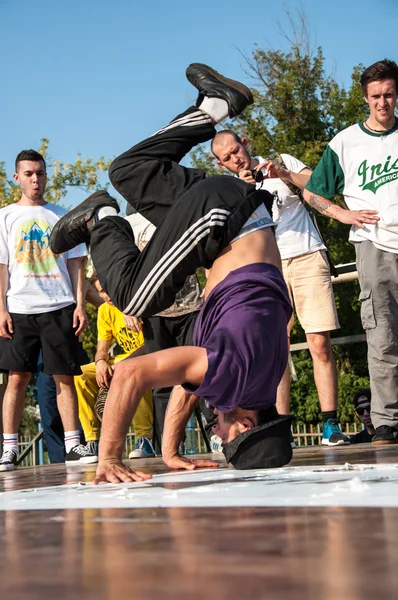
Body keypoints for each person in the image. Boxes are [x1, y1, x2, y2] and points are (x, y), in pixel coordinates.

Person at [50, 63, 293, 484]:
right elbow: (130, 373)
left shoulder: (259, 379)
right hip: (222, 224)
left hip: (236, 210)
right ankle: (100, 218)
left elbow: (187, 382)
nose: (215, 432)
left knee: (129, 172)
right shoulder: (234, 377)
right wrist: (108, 459)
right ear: (246, 425)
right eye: (223, 436)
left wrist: (169, 452)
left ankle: (214, 105)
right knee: (130, 298)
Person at [211, 133, 348, 446]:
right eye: (228, 158)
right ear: (220, 163)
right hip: (266, 269)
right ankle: (281, 428)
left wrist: (284, 175)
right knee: (276, 351)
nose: (236, 159)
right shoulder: (229, 188)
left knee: (319, 343)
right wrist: (243, 190)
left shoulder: (283, 161)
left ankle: (331, 424)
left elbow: (319, 187)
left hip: (306, 255)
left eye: (237, 150)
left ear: (246, 143)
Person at [303, 59, 398, 445]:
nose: (382, 102)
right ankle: (388, 420)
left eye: (389, 94)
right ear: (365, 98)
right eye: (375, 95)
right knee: (382, 336)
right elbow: (312, 191)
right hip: (374, 246)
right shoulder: (344, 142)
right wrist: (342, 213)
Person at [0, 149, 97, 470]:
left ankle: (73, 444)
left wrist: (80, 304)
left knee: (64, 377)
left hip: (59, 306)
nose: (35, 179)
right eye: (28, 174)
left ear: (46, 175)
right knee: (17, 378)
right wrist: (1, 308)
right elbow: (2, 266)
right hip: (19, 307)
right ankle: (9, 448)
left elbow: (76, 264)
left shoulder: (62, 215)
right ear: (17, 178)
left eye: (40, 173)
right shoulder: (5, 216)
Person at [74, 272, 154, 459]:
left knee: (133, 369)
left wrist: (122, 364)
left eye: (108, 290)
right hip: (120, 361)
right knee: (80, 374)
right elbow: (101, 348)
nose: (107, 296)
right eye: (101, 292)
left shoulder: (138, 301)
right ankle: (92, 440)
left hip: (150, 358)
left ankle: (145, 439)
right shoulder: (105, 311)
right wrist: (101, 361)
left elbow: (152, 344)